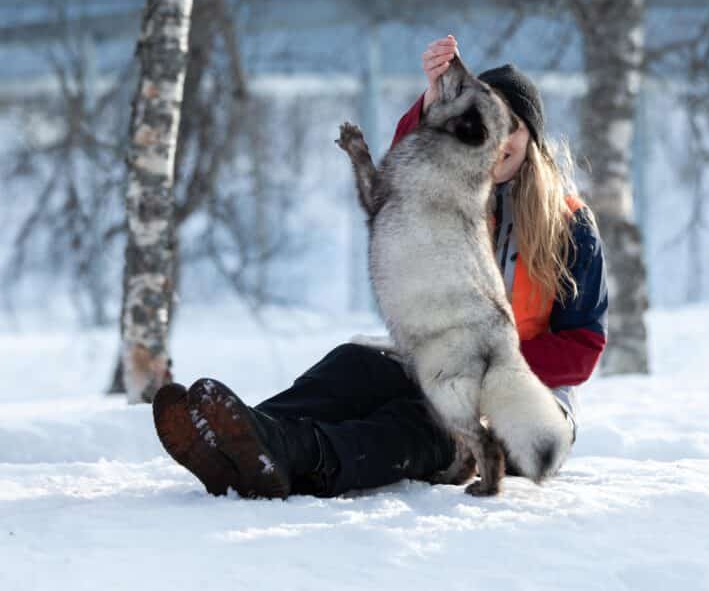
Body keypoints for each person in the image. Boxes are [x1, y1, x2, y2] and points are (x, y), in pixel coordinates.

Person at [152, 35, 609, 499]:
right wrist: (432, 99)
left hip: (527, 407)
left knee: (424, 423)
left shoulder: (569, 225)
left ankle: (288, 453)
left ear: (529, 137)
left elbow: (584, 348)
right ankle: (242, 434)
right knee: (354, 365)